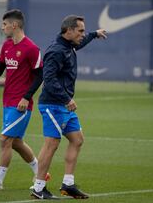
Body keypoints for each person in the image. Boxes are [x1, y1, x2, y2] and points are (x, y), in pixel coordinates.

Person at [30, 15, 107, 199]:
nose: (83, 34)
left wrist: (94, 34)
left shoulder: (69, 45)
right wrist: (66, 99)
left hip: (63, 104)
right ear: (69, 31)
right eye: (80, 30)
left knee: (77, 139)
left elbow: (82, 42)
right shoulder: (56, 51)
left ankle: (68, 185)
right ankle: (38, 188)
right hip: (53, 104)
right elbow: (48, 80)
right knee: (52, 144)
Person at [0, 9, 46, 191]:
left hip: (21, 105)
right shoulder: (6, 46)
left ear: (14, 25)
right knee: (15, 142)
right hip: (7, 102)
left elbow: (40, 76)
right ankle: (41, 172)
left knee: (5, 140)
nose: (3, 27)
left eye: (5, 24)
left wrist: (26, 97)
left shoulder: (31, 49)